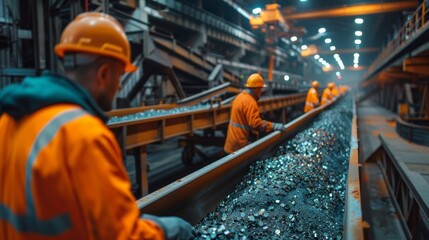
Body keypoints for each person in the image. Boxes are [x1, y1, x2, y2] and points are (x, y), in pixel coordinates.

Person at [0, 12, 194, 240]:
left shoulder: (9, 120)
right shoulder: (86, 136)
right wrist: (169, 230)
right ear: (103, 74)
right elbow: (123, 236)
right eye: (120, 75)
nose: (120, 85)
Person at [224, 73, 286, 153]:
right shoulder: (250, 102)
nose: (261, 91)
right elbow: (256, 124)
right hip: (240, 145)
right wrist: (273, 125)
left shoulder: (240, 97)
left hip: (232, 143)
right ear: (257, 89)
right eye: (260, 89)